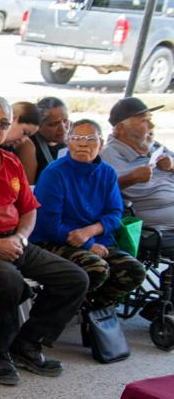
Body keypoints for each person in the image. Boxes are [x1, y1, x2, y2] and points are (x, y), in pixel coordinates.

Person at [0, 95, 88, 385]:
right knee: (9, 282)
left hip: (15, 241)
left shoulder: (10, 161)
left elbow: (29, 209)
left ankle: (27, 343)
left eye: (2, 123)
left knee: (74, 278)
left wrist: (20, 237)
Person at [32, 118, 145, 310]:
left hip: (97, 239)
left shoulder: (107, 173)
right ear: (68, 142)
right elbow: (49, 225)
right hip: (56, 241)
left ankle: (89, 308)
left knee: (134, 270)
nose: (83, 143)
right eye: (77, 137)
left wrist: (91, 231)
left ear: (101, 144)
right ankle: (55, 309)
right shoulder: (55, 173)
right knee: (97, 268)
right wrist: (88, 244)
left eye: (90, 139)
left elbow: (115, 213)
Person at [99, 96, 174, 235]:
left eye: (150, 119)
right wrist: (131, 178)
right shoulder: (107, 157)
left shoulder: (152, 145)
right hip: (161, 231)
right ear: (120, 127)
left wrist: (172, 165)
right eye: (144, 121)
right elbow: (95, 193)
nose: (152, 125)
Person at [22, 97, 69, 184]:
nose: (62, 129)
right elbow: (28, 188)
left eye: (65, 121)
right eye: (53, 124)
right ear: (38, 125)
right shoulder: (29, 146)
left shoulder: (67, 142)